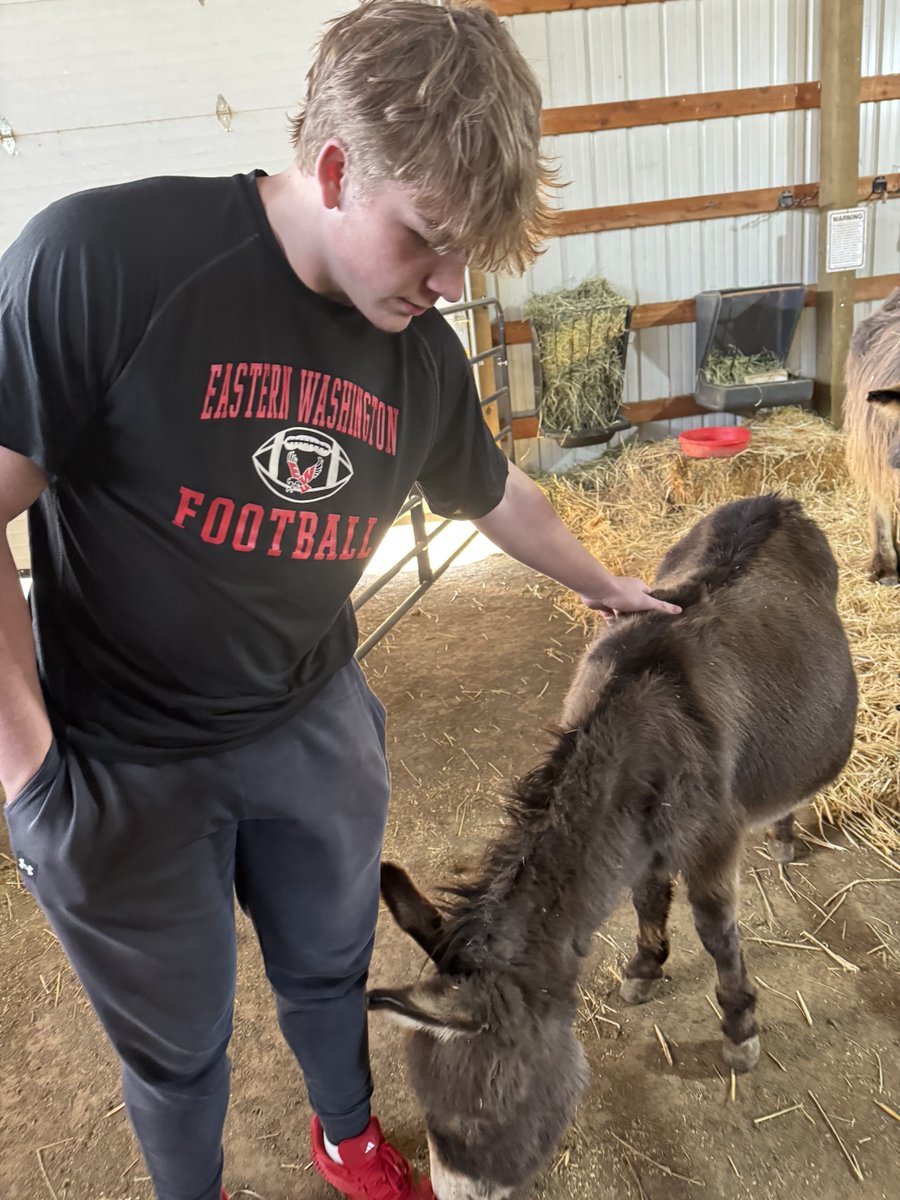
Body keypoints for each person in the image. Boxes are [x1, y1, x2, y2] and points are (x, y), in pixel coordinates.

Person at [0, 3, 679, 1198]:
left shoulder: (418, 351)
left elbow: (493, 490)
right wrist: (30, 773)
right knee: (178, 1048)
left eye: (470, 254)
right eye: (428, 238)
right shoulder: (103, 262)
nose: (451, 283)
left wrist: (604, 584)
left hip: (311, 726)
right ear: (332, 171)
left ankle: (346, 1132)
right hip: (124, 760)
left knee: (328, 965)